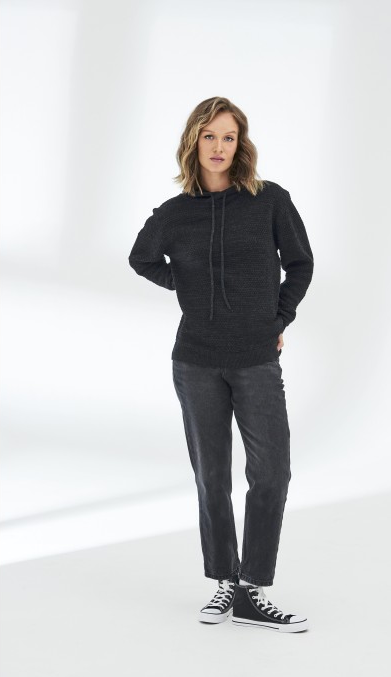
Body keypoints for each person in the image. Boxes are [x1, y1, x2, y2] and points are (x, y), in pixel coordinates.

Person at [128, 97, 314, 633]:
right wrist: (185, 285)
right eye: (209, 136)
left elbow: (300, 264)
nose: (218, 146)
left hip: (256, 358)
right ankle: (224, 583)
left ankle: (253, 589)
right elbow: (141, 258)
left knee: (271, 473)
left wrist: (278, 318)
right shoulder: (174, 213)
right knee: (212, 478)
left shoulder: (269, 200)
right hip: (196, 362)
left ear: (240, 144)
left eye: (228, 137)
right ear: (194, 141)